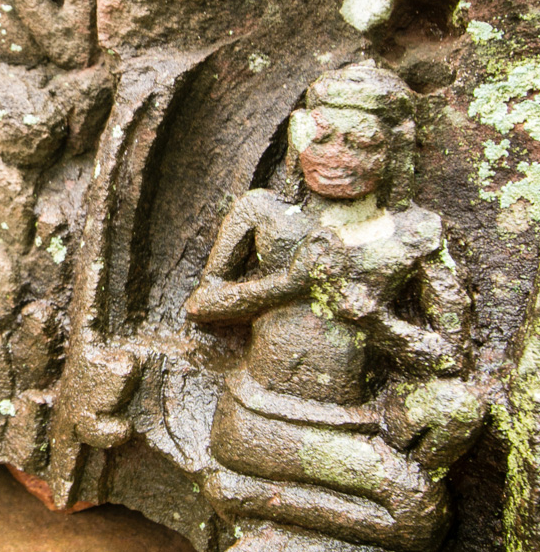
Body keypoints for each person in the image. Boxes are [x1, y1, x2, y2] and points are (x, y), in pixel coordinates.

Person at [185, 62, 485, 552]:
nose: (336, 158)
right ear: (298, 139)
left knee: (459, 407)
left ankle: (249, 497)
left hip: (361, 419)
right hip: (262, 415)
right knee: (417, 514)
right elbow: (202, 304)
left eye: (362, 144)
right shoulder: (264, 212)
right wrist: (290, 284)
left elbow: (451, 357)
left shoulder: (416, 234)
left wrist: (376, 321)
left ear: (395, 151)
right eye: (322, 139)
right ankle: (252, 496)